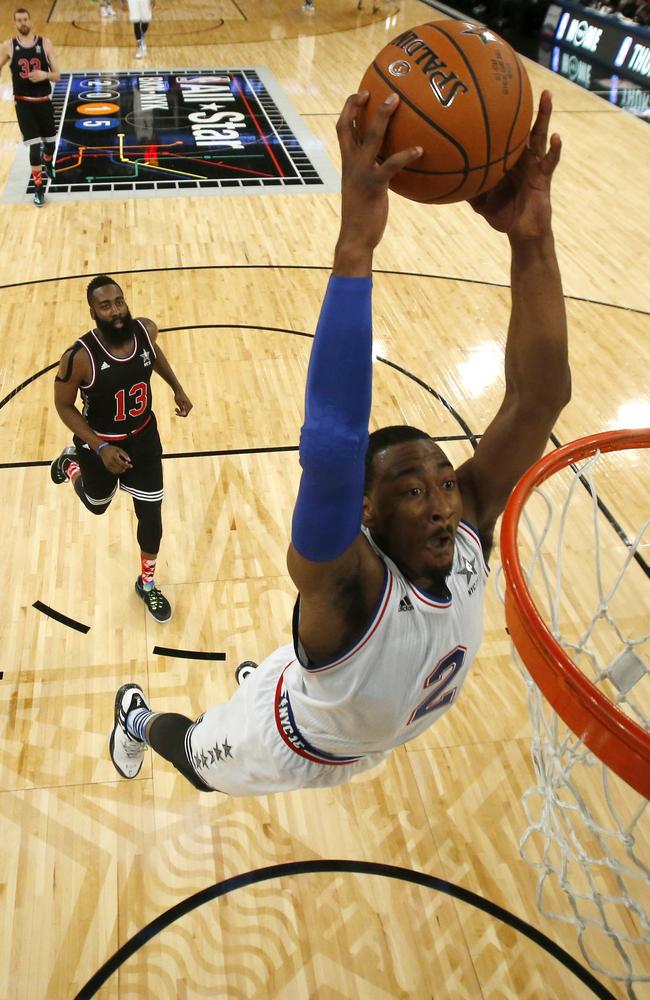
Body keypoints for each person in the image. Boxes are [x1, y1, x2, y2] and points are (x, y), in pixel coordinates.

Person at [108, 89, 570, 793]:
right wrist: (356, 245)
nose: (445, 504)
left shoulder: (465, 522)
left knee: (307, 665)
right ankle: (139, 721)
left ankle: (284, 669)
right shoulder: (347, 582)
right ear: (364, 513)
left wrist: (531, 237)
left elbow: (540, 398)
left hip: (367, 728)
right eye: (412, 490)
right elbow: (330, 444)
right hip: (285, 743)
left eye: (444, 482)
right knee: (198, 758)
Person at [50, 276, 193, 623]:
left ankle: (146, 584)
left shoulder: (145, 330)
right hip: (100, 444)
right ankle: (71, 465)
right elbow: (64, 406)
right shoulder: (79, 357)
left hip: (144, 439)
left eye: (119, 302)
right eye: (105, 305)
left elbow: (153, 355)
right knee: (97, 505)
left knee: (151, 516)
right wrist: (98, 448)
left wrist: (177, 387)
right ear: (93, 312)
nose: (115, 311)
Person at [0, 8, 61, 207]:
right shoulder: (8, 46)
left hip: (43, 101)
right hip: (23, 103)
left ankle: (48, 160)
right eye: (19, 20)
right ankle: (38, 189)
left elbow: (57, 75)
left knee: (50, 144)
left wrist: (44, 75)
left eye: (25, 19)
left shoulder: (45, 43)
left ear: (31, 20)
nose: (23, 23)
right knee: (33, 146)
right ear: (15, 23)